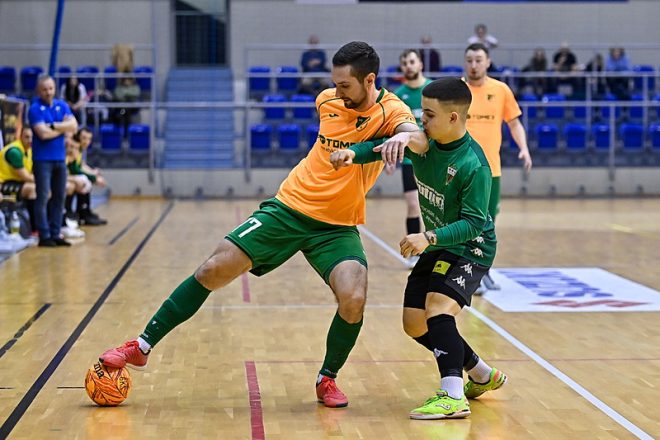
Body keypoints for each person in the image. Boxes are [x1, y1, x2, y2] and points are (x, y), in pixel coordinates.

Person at [99, 41, 422, 409]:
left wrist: (401, 135)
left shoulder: (391, 108)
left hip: (336, 226)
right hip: (288, 207)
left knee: (354, 298)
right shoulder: (326, 101)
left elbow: (413, 132)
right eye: (335, 83)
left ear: (369, 80)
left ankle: (326, 378)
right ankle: (141, 347)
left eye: (346, 85)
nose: (338, 91)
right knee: (212, 269)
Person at [329, 77, 507, 420]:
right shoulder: (424, 143)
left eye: (428, 114)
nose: (420, 120)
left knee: (439, 310)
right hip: (439, 244)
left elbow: (473, 224)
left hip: (470, 248)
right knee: (415, 324)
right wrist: (353, 153)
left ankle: (453, 395)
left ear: (453, 118)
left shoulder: (474, 165)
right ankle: (482, 374)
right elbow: (384, 145)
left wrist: (428, 238)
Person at [463, 43, 532, 294]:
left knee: (488, 225)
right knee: (469, 222)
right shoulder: (458, 91)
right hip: (463, 171)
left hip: (491, 171)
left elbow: (514, 124)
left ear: (488, 61)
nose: (473, 65)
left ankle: (483, 270)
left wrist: (523, 147)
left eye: (478, 60)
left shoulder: (500, 90)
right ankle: (469, 274)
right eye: (469, 60)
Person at [29, 75, 79, 247]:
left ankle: (56, 232)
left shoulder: (62, 105)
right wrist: (62, 127)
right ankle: (44, 235)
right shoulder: (35, 109)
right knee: (43, 197)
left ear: (55, 88)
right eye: (44, 89)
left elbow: (74, 126)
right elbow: (42, 134)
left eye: (50, 88)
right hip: (42, 160)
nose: (48, 92)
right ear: (39, 90)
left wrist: (53, 126)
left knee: (59, 196)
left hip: (60, 159)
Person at [393, 49, 432, 268]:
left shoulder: (432, 89)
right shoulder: (399, 94)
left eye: (412, 61)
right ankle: (414, 252)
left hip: (433, 159)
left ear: (420, 65)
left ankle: (436, 247)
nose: (408, 65)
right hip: (410, 160)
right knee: (412, 205)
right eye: (405, 62)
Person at [0, 127, 37, 233]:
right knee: (33, 189)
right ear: (20, 137)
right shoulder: (14, 151)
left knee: (46, 189)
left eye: (32, 137)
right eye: (27, 137)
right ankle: (34, 229)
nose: (30, 140)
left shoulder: (29, 150)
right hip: (3, 183)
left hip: (16, 181)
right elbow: (26, 177)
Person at [69, 127, 108, 226]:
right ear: (78, 137)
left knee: (86, 180)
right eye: (84, 138)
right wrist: (93, 178)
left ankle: (85, 211)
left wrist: (93, 172)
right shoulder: (74, 147)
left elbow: (81, 165)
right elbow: (74, 169)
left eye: (89, 139)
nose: (87, 141)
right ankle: (81, 213)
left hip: (70, 176)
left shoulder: (80, 149)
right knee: (85, 181)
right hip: (66, 177)